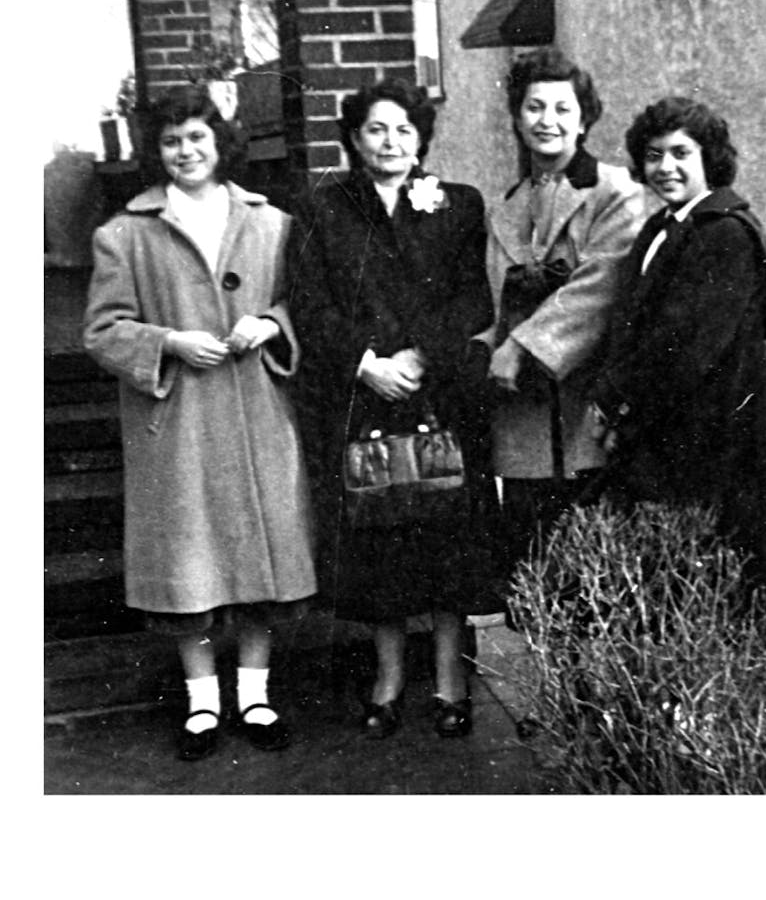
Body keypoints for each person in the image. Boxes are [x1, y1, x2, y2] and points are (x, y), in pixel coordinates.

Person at [84, 86, 316, 762]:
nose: (186, 152)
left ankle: (255, 691)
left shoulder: (271, 222)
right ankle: (201, 701)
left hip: (256, 414)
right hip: (179, 420)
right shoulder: (123, 233)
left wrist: (270, 322)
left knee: (257, 557)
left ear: (221, 145)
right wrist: (170, 343)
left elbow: (305, 302)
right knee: (192, 565)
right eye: (171, 141)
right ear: (156, 153)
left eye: (197, 138)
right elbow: (102, 329)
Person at [289, 78, 497, 739]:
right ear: (354, 138)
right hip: (363, 398)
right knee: (378, 539)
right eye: (377, 130)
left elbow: (474, 300)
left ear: (422, 140)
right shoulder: (324, 210)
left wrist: (420, 357)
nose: (391, 142)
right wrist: (367, 364)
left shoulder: (457, 205)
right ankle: (386, 677)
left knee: (446, 541)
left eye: (405, 130)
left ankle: (448, 677)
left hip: (437, 396)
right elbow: (309, 301)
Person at [586, 96, 766, 549]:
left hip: (705, 437)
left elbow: (685, 350)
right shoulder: (661, 226)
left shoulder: (725, 233)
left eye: (681, 153)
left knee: (701, 567)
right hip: (665, 433)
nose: (666, 167)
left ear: (710, 159)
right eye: (654, 155)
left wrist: (623, 409)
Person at [480, 47, 647, 581]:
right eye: (534, 107)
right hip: (524, 418)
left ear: (584, 118)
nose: (546, 121)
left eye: (562, 109)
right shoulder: (507, 203)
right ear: (516, 116)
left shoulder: (615, 191)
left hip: (585, 408)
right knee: (536, 570)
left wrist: (520, 346)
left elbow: (599, 285)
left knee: (595, 571)